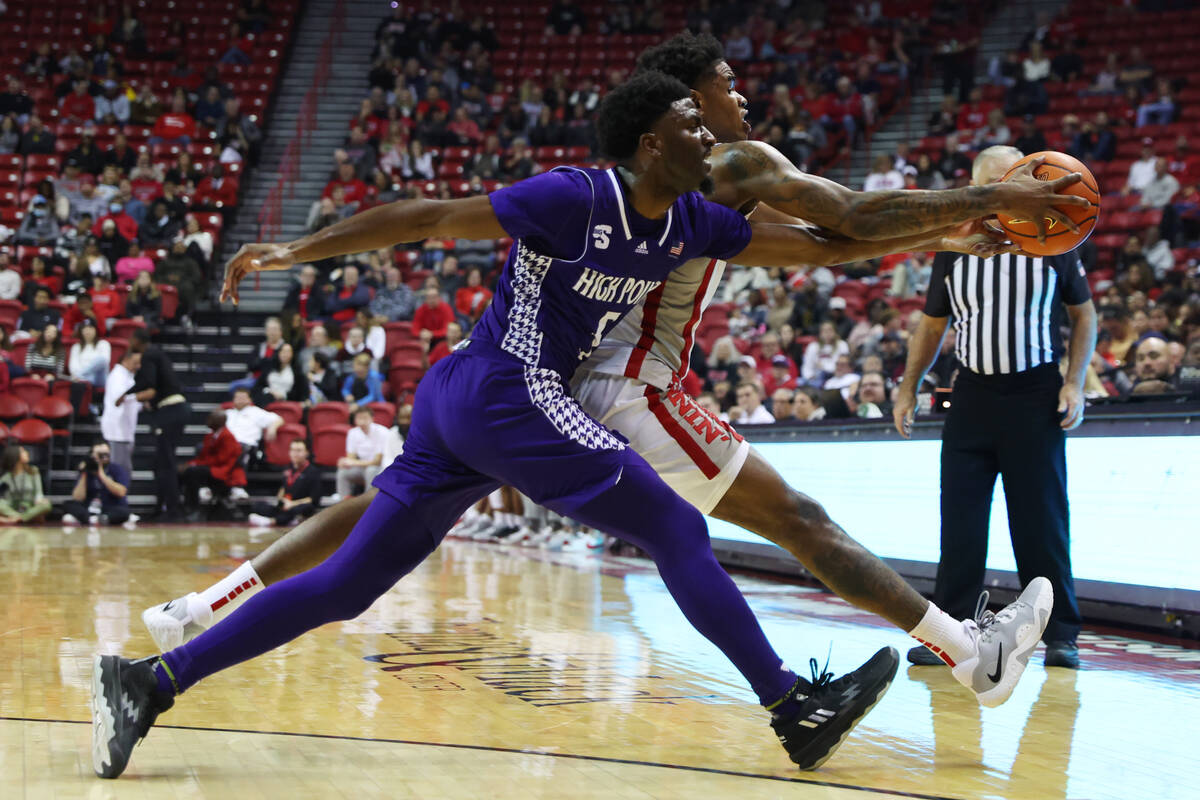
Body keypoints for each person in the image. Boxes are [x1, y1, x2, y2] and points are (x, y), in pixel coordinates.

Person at [126, 46, 1079, 776]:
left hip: (467, 394)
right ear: (658, 133)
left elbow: (825, 242)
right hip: (524, 390)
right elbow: (424, 216)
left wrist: (958, 227)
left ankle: (149, 678)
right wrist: (299, 251)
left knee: (350, 581)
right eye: (706, 108)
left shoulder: (695, 217)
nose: (726, 125)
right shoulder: (576, 195)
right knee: (685, 527)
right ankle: (799, 704)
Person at [894, 145, 1097, 671]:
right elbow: (932, 324)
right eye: (983, 188)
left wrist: (1074, 382)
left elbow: (1085, 317)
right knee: (959, 523)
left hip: (1035, 395)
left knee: (1042, 524)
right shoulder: (955, 246)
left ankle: (1062, 636)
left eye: (1001, 184)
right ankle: (952, 635)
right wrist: (906, 386)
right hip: (972, 396)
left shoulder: (1053, 240)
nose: (990, 198)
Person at [118, 328, 190, 521]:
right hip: (175, 409)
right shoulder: (158, 354)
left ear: (137, 340)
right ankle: (162, 508)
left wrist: (125, 395)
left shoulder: (148, 355)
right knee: (160, 463)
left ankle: (173, 510)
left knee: (165, 463)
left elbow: (148, 383)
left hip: (170, 410)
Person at [180, 410, 247, 517]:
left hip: (224, 472)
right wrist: (191, 463)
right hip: (212, 468)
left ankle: (194, 508)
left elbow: (222, 459)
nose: (208, 421)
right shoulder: (210, 436)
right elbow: (203, 456)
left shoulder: (227, 436)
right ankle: (183, 506)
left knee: (193, 472)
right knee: (183, 472)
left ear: (220, 421)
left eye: (211, 419)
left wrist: (196, 465)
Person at [247, 439, 322, 527]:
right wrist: (281, 501)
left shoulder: (313, 472)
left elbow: (313, 499)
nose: (295, 453)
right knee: (259, 506)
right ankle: (289, 520)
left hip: (299, 505)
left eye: (299, 450)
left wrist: (292, 504)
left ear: (307, 453)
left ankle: (272, 521)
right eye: (292, 450)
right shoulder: (288, 469)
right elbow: (283, 488)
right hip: (286, 505)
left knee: (304, 508)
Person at [62, 441, 132, 525]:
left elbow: (121, 492)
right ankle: (91, 519)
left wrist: (101, 474)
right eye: (100, 454)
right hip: (88, 508)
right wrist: (84, 473)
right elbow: (78, 498)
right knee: (68, 504)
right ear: (92, 455)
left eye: (106, 454)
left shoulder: (116, 469)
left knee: (124, 512)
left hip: (110, 507)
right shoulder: (87, 470)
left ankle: (100, 519)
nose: (103, 457)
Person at [332, 406, 389, 502]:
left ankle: (367, 503)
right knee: (343, 472)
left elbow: (377, 461)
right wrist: (345, 462)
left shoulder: (383, 432)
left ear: (372, 419)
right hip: (362, 468)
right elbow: (351, 458)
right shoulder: (352, 433)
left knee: (370, 471)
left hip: (381, 469)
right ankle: (344, 502)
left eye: (365, 418)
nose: (362, 421)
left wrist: (352, 462)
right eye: (359, 418)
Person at [103, 349, 142, 476]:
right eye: (135, 363)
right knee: (119, 470)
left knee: (124, 469)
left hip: (126, 429)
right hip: (117, 431)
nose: (138, 366)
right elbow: (118, 398)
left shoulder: (128, 376)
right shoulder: (117, 375)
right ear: (125, 360)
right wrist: (141, 396)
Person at [0, 445, 52, 524]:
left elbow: (39, 492)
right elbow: (3, 498)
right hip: (12, 507)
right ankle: (22, 517)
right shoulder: (6, 478)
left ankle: (18, 518)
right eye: (23, 451)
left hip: (30, 507)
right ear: (15, 455)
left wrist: (40, 499)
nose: (27, 453)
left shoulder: (33, 471)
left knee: (46, 504)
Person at [224, 387, 283, 454]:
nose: (240, 400)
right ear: (233, 400)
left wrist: (273, 428)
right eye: (237, 398)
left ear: (249, 400)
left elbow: (279, 419)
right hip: (226, 445)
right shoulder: (227, 413)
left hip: (246, 447)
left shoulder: (255, 412)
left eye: (242, 398)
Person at [68, 320, 112, 387]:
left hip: (99, 378)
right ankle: (83, 378)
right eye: (84, 328)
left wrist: (81, 374)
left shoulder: (103, 343)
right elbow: (73, 367)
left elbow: (105, 362)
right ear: (81, 331)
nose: (87, 331)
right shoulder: (76, 347)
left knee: (101, 360)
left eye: (90, 328)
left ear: (95, 330)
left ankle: (82, 377)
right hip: (82, 378)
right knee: (80, 378)